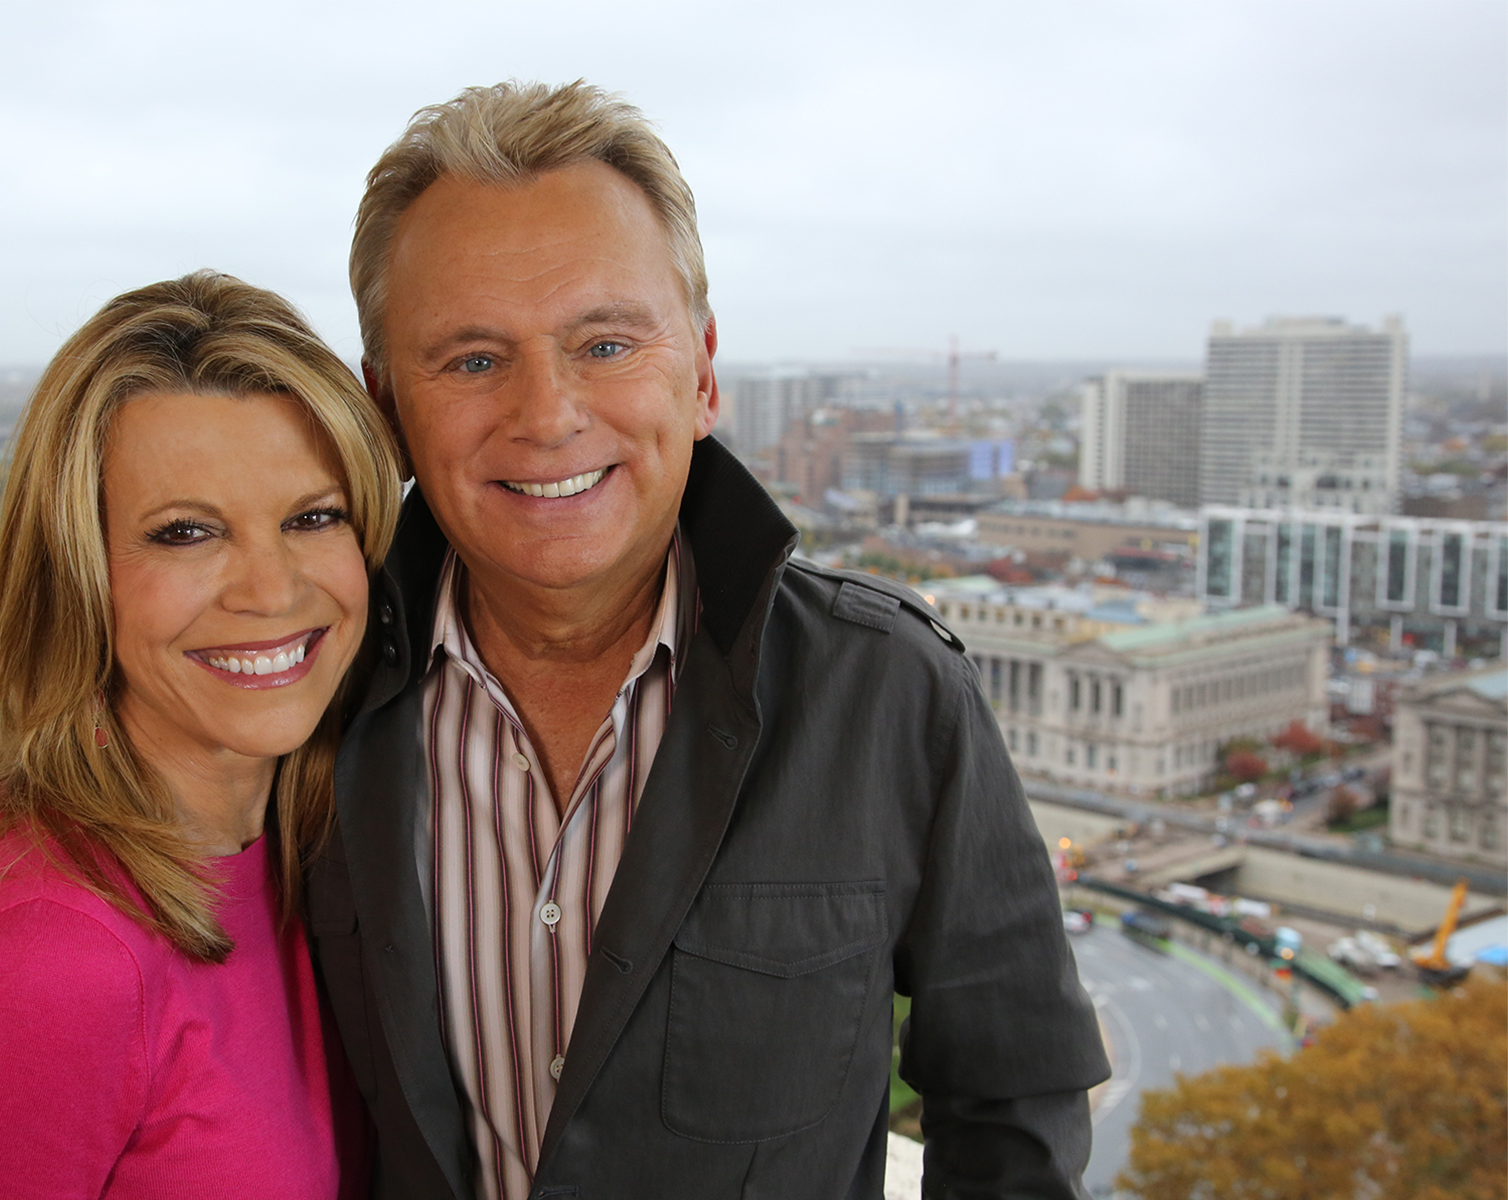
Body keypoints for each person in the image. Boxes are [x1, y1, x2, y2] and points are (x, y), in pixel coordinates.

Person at [308, 81, 1109, 1199]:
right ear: (386, 403)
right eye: (473, 360)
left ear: (703, 371)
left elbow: (1014, 1102)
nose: (547, 415)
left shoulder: (888, 696)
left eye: (605, 343)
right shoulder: (304, 703)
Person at [0, 271, 401, 1198]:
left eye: (313, 517)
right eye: (187, 533)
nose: (271, 591)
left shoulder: (307, 849)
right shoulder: (52, 961)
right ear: (80, 572)